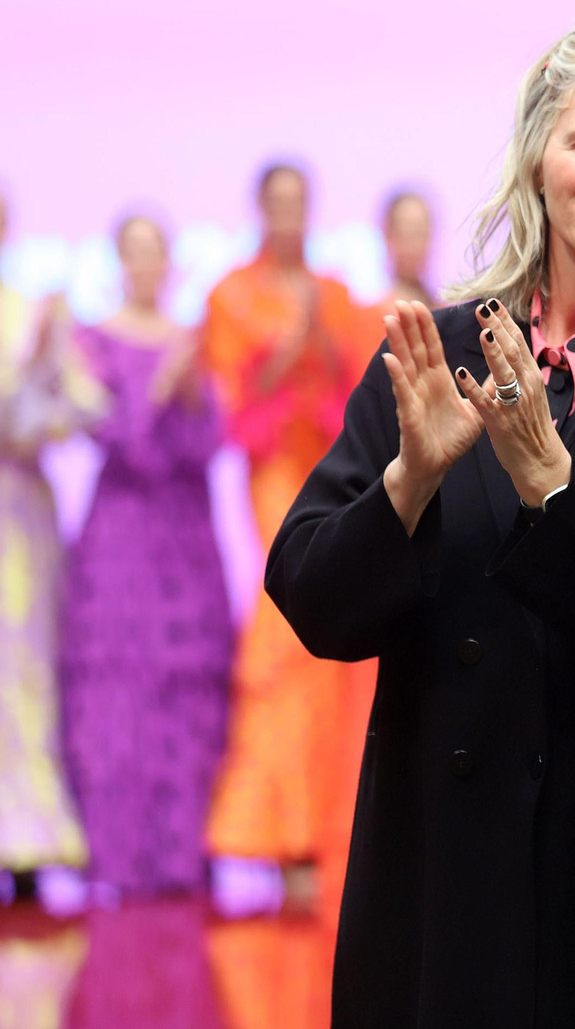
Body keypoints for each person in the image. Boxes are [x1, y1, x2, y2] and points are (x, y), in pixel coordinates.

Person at [263, 21, 575, 1027]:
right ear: (536, 158)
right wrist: (410, 477)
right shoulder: (436, 350)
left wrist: (552, 490)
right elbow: (314, 603)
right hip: (437, 881)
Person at [199, 163, 379, 916]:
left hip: (332, 465)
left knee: (336, 644)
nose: (288, 216)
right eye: (277, 204)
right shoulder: (233, 294)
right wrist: (291, 341)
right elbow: (236, 396)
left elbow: (359, 384)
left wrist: (321, 333)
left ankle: (329, 832)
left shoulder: (335, 292)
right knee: (284, 626)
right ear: (259, 208)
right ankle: (278, 834)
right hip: (275, 469)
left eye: (297, 204)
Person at [0, 182, 106, 914]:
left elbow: (82, 401)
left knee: (24, 663)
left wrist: (38, 401)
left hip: (19, 513)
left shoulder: (33, 309)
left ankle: (29, 837)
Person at [57, 215, 234, 905]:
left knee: (185, 682)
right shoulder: (93, 341)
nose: (145, 265)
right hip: (120, 535)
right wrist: (160, 389)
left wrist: (190, 393)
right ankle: (117, 852)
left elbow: (211, 442)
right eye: (133, 253)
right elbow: (112, 435)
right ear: (117, 261)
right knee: (116, 686)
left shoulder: (192, 339)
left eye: (155, 252)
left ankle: (183, 849)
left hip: (185, 535)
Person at [378, 190, 435, 307]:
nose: (416, 245)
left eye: (421, 234)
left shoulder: (443, 307)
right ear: (388, 235)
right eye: (407, 233)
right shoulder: (372, 307)